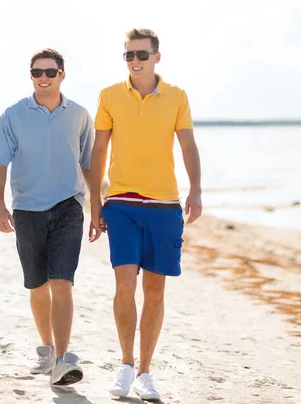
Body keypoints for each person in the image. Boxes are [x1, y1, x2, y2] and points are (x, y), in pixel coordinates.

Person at [89, 28, 203, 401]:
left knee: (155, 292)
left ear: (157, 56)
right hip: (121, 203)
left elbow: (188, 146)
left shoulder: (177, 97)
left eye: (142, 54)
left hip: (165, 206)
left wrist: (196, 190)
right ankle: (124, 364)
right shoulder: (108, 96)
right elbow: (99, 152)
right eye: (129, 55)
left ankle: (144, 372)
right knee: (124, 285)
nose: (135, 61)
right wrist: (95, 201)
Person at [0, 48, 94, 386]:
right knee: (37, 285)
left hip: (68, 207)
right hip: (27, 210)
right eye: (37, 73)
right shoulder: (13, 115)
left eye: (50, 72)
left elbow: (89, 163)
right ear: (30, 75)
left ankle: (62, 360)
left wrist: (97, 208)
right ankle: (47, 350)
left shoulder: (78, 114)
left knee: (62, 282)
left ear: (63, 74)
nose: (43, 78)